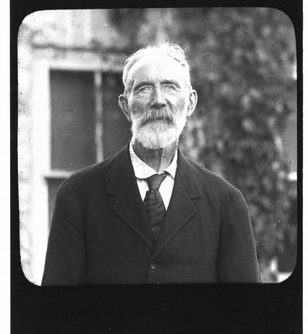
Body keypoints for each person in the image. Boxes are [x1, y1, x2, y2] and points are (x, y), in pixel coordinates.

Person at [42, 43, 261, 285]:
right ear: (126, 106)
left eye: (169, 86)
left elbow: (245, 313)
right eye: (145, 88)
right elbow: (57, 313)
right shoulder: (78, 196)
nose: (158, 100)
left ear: (190, 103)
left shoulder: (225, 203)